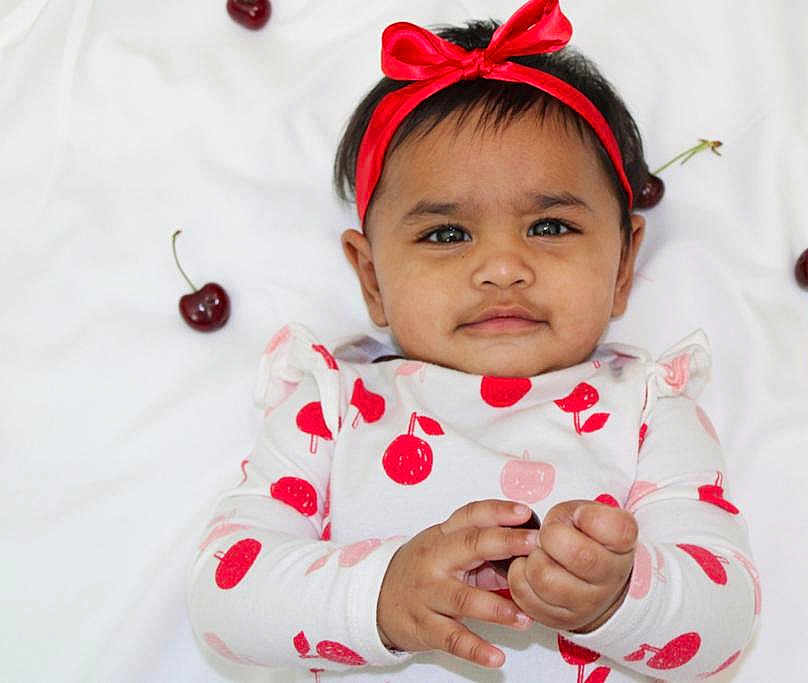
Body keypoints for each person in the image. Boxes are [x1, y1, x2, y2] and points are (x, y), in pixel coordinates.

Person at [186, 1, 760, 680]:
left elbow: (728, 619)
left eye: (549, 226)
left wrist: (620, 595)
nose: (502, 267)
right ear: (371, 276)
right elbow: (222, 595)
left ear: (624, 265)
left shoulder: (648, 406)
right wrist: (380, 593)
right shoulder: (332, 404)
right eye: (446, 234)